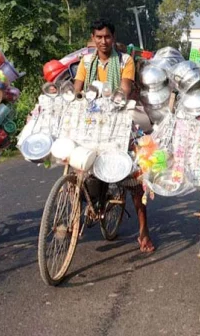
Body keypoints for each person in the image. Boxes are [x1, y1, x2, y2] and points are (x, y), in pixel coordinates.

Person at [73, 19, 155, 253]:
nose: (103, 41)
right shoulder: (86, 61)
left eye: (107, 36)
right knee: (76, 161)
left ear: (113, 37)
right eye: (98, 37)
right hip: (91, 121)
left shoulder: (125, 61)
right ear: (93, 39)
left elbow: (126, 87)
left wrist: (117, 98)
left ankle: (144, 233)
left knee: (134, 178)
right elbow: (77, 87)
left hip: (119, 118)